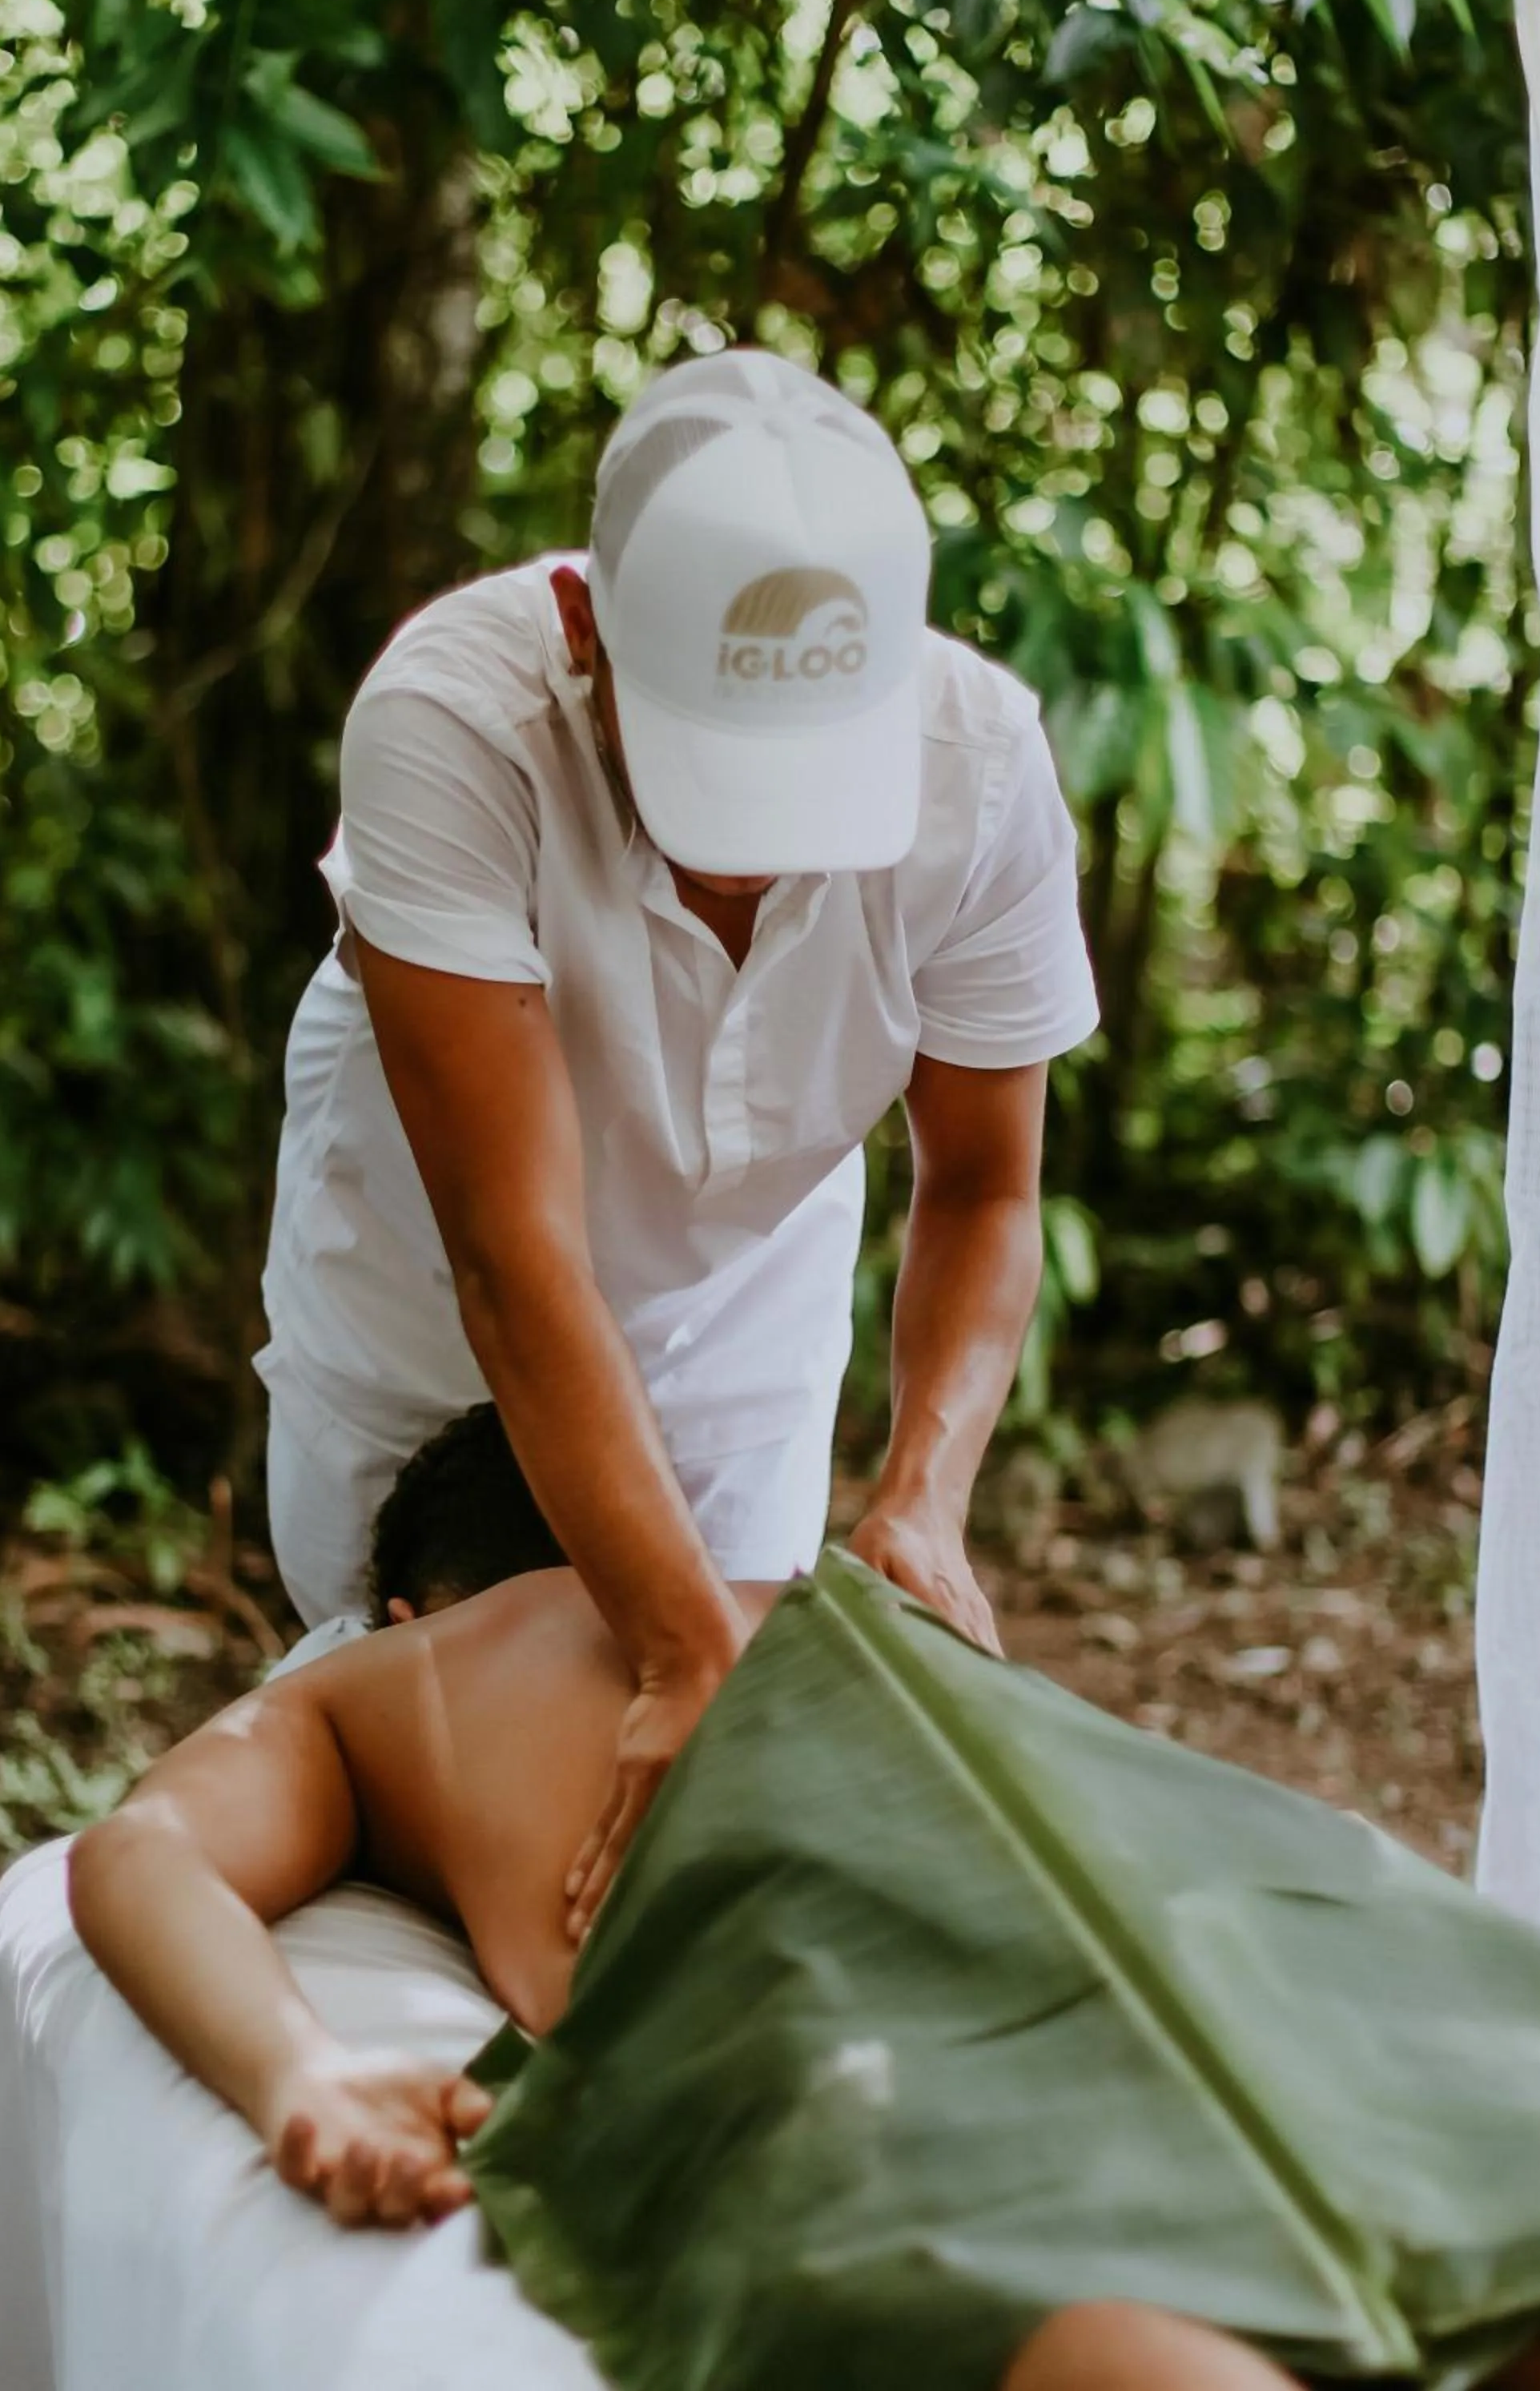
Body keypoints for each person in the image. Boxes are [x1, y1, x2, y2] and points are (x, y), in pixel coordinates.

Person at [68, 1413, 1540, 2391]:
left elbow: (137, 1854)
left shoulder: (395, 1674)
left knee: (1030, 2284)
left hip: (830, 1957)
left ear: (411, 1603)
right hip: (1190, 1871)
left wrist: (299, 2076)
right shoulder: (819, 1595)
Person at [257, 348, 1099, 1928]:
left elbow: (985, 1185)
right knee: (422, 1728)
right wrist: (672, 1637)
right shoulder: (453, 725)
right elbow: (515, 1258)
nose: (763, 864)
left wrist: (921, 1491)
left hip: (749, 1288)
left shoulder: (978, 768)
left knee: (717, 1799)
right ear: (585, 631)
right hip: (443, 1297)